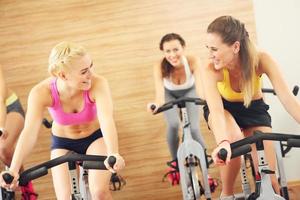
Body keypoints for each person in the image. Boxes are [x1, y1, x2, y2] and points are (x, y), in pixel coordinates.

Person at [0, 42, 125, 199]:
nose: (91, 74)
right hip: (63, 143)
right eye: (84, 71)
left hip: (95, 138)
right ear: (63, 75)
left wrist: (113, 152)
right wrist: (13, 169)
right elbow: (30, 132)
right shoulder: (41, 92)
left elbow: (106, 119)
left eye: (91, 66)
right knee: (64, 198)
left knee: (99, 192)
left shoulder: (98, 83)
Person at [200, 15, 300, 199]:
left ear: (235, 47)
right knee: (233, 139)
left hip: (254, 110)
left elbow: (288, 99)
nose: (210, 54)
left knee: (270, 182)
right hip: (224, 109)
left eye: (214, 49)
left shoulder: (261, 59)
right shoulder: (210, 69)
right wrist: (223, 143)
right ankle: (227, 194)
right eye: (208, 48)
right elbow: (216, 111)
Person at [147, 33, 206, 185]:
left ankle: (205, 159)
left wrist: (208, 101)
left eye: (176, 49)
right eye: (168, 51)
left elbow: (200, 89)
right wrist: (155, 106)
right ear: (163, 52)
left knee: (193, 128)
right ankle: (175, 162)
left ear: (183, 48)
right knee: (173, 125)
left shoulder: (193, 61)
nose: (172, 55)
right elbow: (160, 96)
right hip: (169, 94)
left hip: (190, 91)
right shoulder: (159, 66)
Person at [0, 65, 38, 199]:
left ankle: (26, 186)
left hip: (8, 109)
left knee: (3, 148)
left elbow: (0, 99)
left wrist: (1, 127)